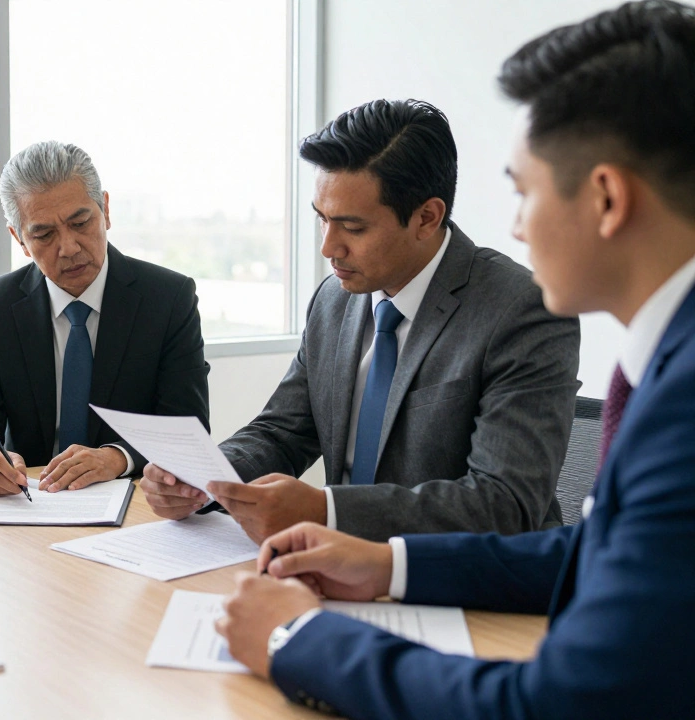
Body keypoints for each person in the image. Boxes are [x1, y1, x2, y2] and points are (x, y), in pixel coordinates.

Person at [218, 2, 695, 717]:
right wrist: (387, 564)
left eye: (523, 190)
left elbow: (552, 703)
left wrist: (295, 639)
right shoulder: (665, 362)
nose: (514, 223)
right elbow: (595, 551)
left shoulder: (680, 400)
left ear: (604, 198)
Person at [142, 99, 582, 543]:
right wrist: (204, 479)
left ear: (426, 218)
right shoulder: (335, 299)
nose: (329, 248)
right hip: (340, 566)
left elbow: (504, 503)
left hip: (464, 585)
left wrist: (325, 509)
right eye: (322, 220)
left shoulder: (521, 309)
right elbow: (283, 432)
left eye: (352, 228)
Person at [0, 141, 209, 495]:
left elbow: (187, 427)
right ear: (19, 239)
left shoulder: (168, 299)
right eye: (44, 234)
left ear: (106, 210)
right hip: (30, 502)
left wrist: (116, 458)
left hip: (133, 500)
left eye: (80, 222)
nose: (68, 247)